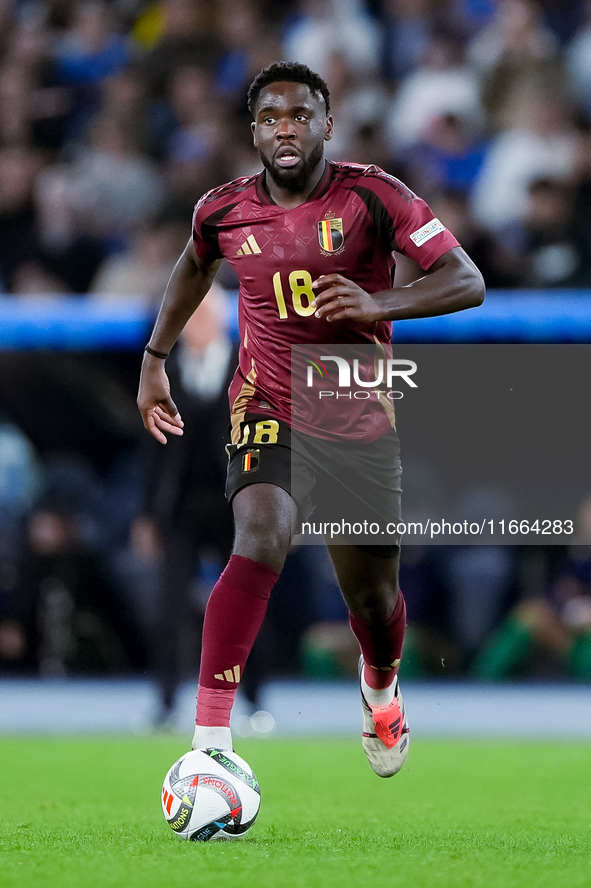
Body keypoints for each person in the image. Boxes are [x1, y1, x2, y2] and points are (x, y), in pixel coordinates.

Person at [137, 61, 484, 778]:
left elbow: (466, 279)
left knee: (371, 596)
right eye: (269, 117)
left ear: (326, 123)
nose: (285, 128)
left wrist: (378, 304)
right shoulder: (223, 209)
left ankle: (380, 687)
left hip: (356, 412)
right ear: (254, 130)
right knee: (259, 535)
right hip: (266, 403)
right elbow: (192, 267)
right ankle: (209, 746)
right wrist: (154, 357)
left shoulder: (375, 195)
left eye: (299, 114)